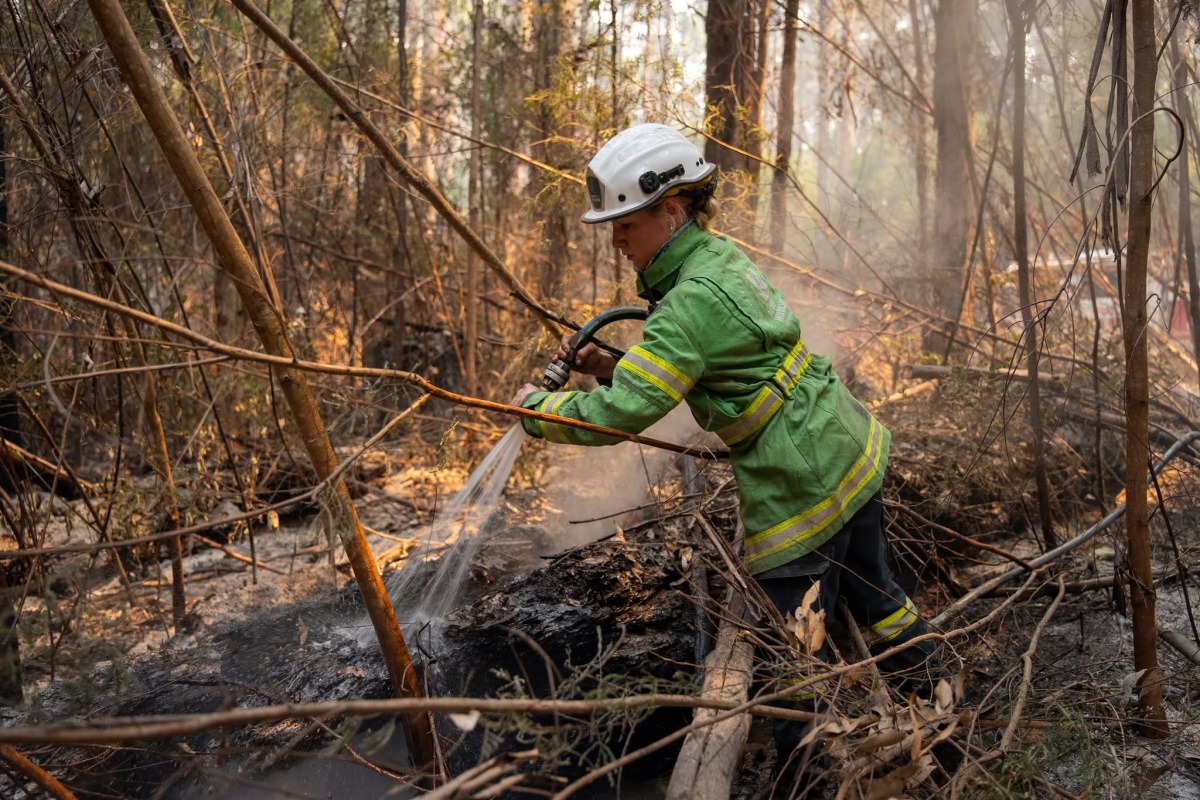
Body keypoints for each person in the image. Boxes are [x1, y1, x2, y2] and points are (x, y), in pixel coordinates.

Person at [510, 122, 935, 777]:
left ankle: (813, 777)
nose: (616, 240)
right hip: (844, 443)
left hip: (800, 479)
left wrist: (538, 411)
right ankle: (939, 707)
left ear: (670, 211)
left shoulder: (686, 304)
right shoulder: (715, 260)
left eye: (626, 224)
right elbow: (716, 363)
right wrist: (607, 365)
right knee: (879, 595)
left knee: (799, 648)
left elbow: (627, 411)